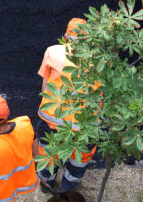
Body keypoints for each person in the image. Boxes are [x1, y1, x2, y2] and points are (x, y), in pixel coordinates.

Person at [35, 18, 97, 193]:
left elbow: (45, 88)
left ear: (66, 37)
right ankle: (67, 189)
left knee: (48, 155)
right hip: (84, 127)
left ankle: (46, 184)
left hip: (51, 121)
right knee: (79, 159)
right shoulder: (101, 60)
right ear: (89, 38)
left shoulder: (52, 52)